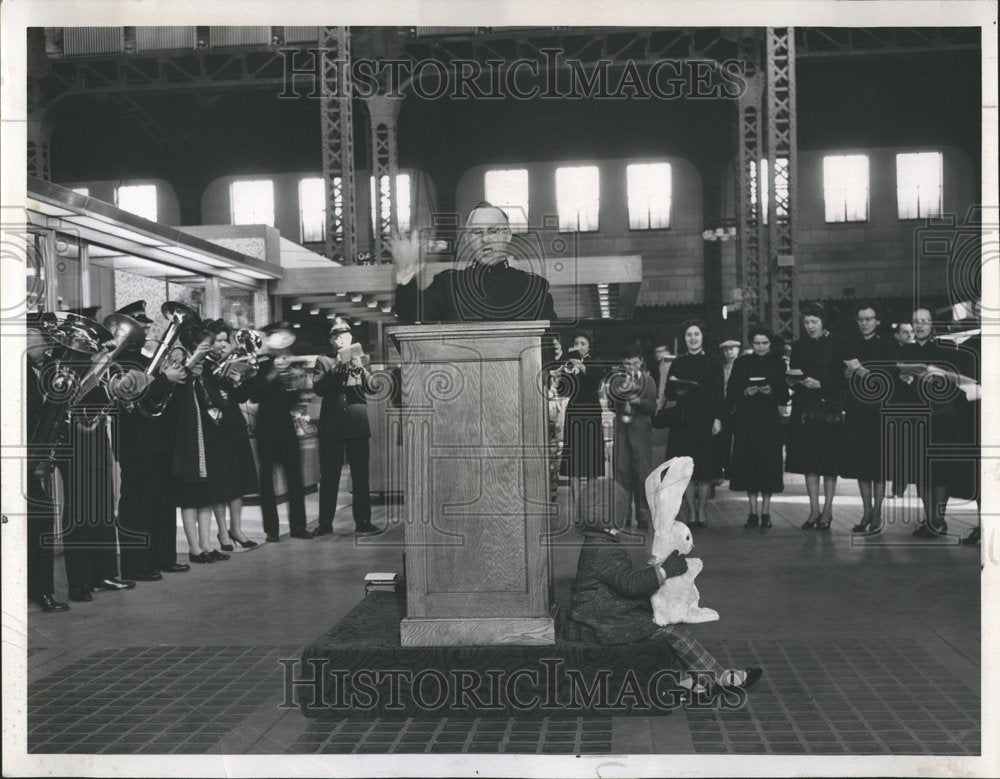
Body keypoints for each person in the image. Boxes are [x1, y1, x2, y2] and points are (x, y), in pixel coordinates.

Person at [569, 479, 763, 694]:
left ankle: (687, 680)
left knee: (668, 626)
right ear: (617, 514)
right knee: (673, 633)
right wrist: (665, 571)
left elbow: (620, 577)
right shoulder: (603, 549)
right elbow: (630, 585)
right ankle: (718, 678)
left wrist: (655, 569)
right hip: (605, 621)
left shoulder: (598, 542)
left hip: (607, 612)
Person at [113, 300, 191, 581]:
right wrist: (164, 379)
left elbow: (160, 391)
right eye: (140, 324)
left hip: (158, 440)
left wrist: (178, 370)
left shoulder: (144, 359)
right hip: (137, 444)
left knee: (161, 502)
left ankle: (162, 558)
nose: (147, 327)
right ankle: (136, 565)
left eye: (146, 323)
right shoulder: (118, 361)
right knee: (138, 504)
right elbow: (131, 398)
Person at [390, 202, 557, 323]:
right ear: (468, 239)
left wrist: (556, 343)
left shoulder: (533, 287)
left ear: (507, 235)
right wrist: (406, 272)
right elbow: (412, 313)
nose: (485, 239)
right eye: (477, 232)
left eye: (493, 230)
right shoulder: (448, 285)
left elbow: (555, 334)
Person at [228, 322, 311, 542]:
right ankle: (271, 530)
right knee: (267, 484)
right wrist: (273, 373)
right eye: (277, 337)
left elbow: (293, 401)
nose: (282, 342)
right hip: (266, 431)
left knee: (295, 480)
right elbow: (253, 395)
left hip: (287, 430)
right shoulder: (262, 363)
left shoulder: (291, 363)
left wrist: (296, 383)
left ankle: (299, 526)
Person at [900, 308, 973, 538]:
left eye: (924, 321)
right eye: (916, 322)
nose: (920, 325)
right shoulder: (907, 351)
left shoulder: (945, 349)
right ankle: (929, 518)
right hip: (915, 417)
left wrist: (938, 377)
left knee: (939, 471)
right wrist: (905, 378)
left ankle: (938, 520)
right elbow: (898, 386)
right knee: (921, 472)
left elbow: (960, 383)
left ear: (932, 324)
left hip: (940, 417)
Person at [166, 321, 231, 564]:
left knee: (206, 493)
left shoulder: (204, 370)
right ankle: (194, 548)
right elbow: (173, 394)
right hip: (187, 437)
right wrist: (191, 369)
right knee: (189, 493)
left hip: (205, 435)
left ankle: (205, 544)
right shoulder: (179, 359)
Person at [311, 317, 379, 537]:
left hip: (357, 425)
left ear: (351, 338)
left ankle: (364, 521)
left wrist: (361, 369)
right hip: (331, 427)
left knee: (361, 475)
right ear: (332, 340)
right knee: (329, 477)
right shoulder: (323, 361)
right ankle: (325, 523)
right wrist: (338, 367)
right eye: (337, 336)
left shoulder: (362, 359)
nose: (341, 339)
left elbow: (373, 388)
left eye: (345, 336)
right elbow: (319, 389)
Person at [202, 320, 261, 550]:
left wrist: (245, 379)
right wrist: (226, 380)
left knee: (237, 480)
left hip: (234, 424)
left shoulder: (227, 363)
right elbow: (212, 397)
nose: (224, 344)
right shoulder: (205, 367)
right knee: (220, 482)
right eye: (219, 340)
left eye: (225, 340)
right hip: (216, 428)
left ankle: (237, 528)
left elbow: (240, 398)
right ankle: (223, 532)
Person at [25, 317, 70, 612]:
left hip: (27, 457)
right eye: (45, 339)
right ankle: (38, 591)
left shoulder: (32, 370)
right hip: (20, 457)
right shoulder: (20, 371)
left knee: (37, 520)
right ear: (28, 337)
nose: (49, 347)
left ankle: (37, 590)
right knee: (39, 520)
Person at [661, 320, 724, 528]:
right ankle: (690, 513)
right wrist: (678, 391)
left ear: (702, 336)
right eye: (689, 335)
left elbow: (718, 394)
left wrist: (717, 419)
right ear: (684, 338)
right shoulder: (677, 364)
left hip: (706, 421)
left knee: (704, 470)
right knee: (684, 472)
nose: (693, 338)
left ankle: (702, 513)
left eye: (696, 334)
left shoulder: (714, 362)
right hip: (683, 422)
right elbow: (669, 393)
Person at [840, 302, 896, 534]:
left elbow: (892, 378)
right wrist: (847, 374)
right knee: (861, 465)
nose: (865, 323)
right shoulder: (850, 345)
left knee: (878, 466)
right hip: (857, 411)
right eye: (861, 319)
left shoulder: (887, 346)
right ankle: (866, 511)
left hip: (878, 412)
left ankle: (878, 512)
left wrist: (868, 374)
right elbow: (842, 379)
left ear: (878, 321)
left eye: (869, 319)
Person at [726, 327, 788, 529]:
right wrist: (746, 391)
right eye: (757, 343)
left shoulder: (778, 363)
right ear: (751, 344)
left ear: (770, 343)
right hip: (747, 421)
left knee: (768, 464)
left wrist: (772, 390)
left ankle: (766, 512)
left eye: (765, 343)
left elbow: (785, 395)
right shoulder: (741, 363)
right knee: (749, 464)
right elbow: (731, 393)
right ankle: (752, 512)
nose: (761, 347)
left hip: (769, 421)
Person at [556, 329, 608, 520]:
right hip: (574, 415)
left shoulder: (596, 361)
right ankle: (578, 510)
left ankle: (591, 508)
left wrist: (583, 367)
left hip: (592, 414)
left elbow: (597, 377)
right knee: (575, 465)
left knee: (593, 462)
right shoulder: (569, 364)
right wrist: (562, 374)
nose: (579, 347)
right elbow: (562, 391)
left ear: (589, 346)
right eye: (576, 343)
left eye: (583, 344)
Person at [609, 344, 657, 529]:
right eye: (628, 364)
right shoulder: (616, 381)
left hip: (642, 432)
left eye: (635, 363)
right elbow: (611, 407)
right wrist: (620, 396)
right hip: (622, 430)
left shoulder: (649, 380)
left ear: (642, 362)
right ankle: (625, 515)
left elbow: (653, 406)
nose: (632, 367)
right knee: (621, 474)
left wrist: (638, 401)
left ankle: (643, 516)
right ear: (623, 363)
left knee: (643, 474)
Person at [717, 339, 742, 480]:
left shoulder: (743, 365)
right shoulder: (723, 367)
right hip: (725, 405)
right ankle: (727, 468)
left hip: (739, 404)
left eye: (732, 349)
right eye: (726, 350)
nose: (729, 352)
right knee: (725, 437)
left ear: (738, 350)